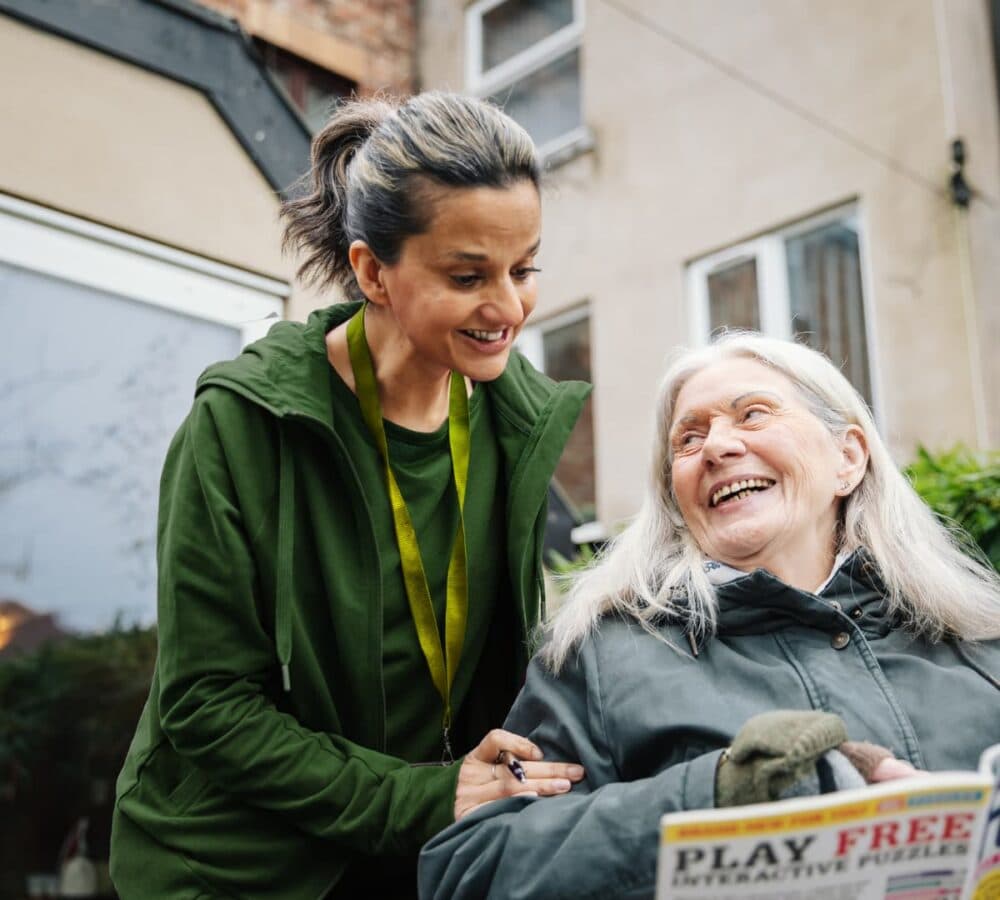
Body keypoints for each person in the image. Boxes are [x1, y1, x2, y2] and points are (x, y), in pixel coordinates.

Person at [109, 91, 589, 899]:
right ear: (372, 270)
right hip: (236, 869)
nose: (509, 307)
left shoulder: (517, 423)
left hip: (419, 853)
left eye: (525, 268)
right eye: (469, 275)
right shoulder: (242, 425)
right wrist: (424, 797)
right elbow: (207, 704)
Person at [419, 332, 1000, 900]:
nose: (718, 447)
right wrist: (712, 793)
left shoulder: (975, 636)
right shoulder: (603, 659)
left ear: (847, 457)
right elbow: (473, 868)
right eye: (688, 438)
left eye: (752, 415)